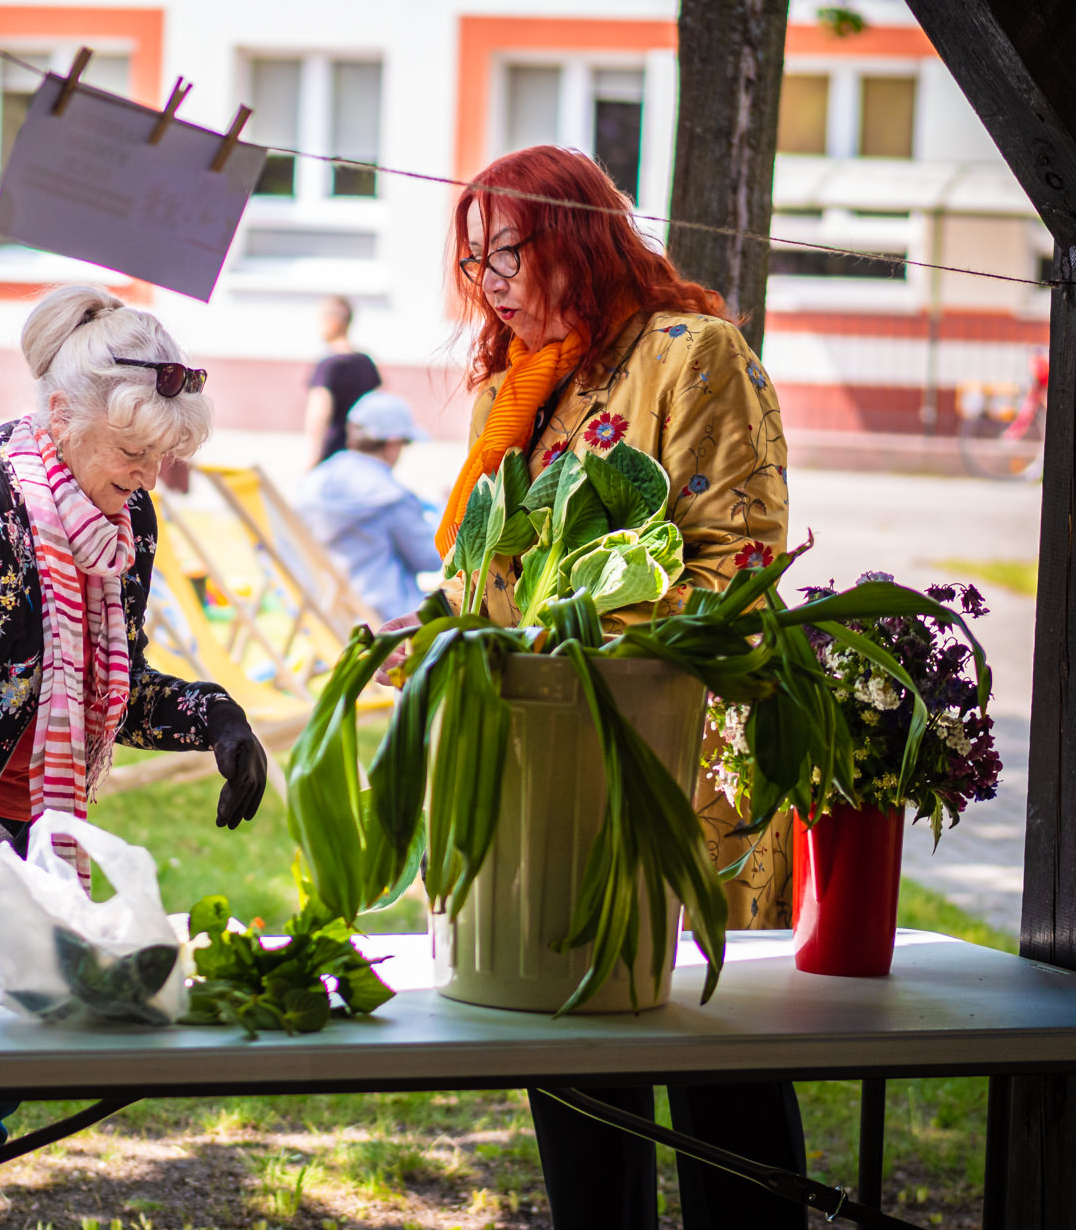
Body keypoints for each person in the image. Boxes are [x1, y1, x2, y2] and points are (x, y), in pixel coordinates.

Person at [0, 284, 271, 1230]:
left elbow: (109, 679)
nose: (149, 477)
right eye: (133, 452)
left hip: (23, 821)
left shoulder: (120, 517)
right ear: (59, 415)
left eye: (164, 456)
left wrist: (216, 718)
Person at [427, 145, 796, 1229]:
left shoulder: (694, 353)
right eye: (472, 261)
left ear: (576, 236)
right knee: (569, 1034)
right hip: (544, 763)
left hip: (674, 754)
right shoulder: (521, 382)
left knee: (711, 1050)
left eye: (508, 251)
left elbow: (735, 559)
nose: (488, 282)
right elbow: (483, 565)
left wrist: (562, 642)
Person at [293, 389, 438, 621]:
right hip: (388, 619)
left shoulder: (315, 481)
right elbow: (431, 557)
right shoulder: (391, 496)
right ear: (392, 443)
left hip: (325, 612)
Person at [300, 295, 381, 464]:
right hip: (362, 450)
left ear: (333, 322)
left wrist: (312, 457)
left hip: (333, 451)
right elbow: (377, 406)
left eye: (320, 321)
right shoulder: (366, 361)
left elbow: (319, 413)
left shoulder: (328, 365)